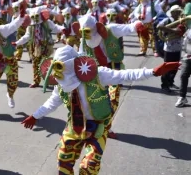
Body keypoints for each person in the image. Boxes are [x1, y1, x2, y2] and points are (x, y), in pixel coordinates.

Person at [22, 45, 180, 175]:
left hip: (98, 126)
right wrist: (35, 116)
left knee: (89, 167)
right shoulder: (61, 82)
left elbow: (124, 75)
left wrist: (152, 72)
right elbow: (52, 102)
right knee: (63, 163)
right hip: (74, 126)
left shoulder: (98, 75)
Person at [157, 5, 185, 93]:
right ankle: (164, 84)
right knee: (167, 67)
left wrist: (167, 29)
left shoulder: (181, 21)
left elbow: (180, 31)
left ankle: (170, 82)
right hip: (169, 48)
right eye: (176, 11)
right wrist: (165, 29)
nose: (178, 13)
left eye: (178, 11)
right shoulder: (167, 20)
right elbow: (159, 27)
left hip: (177, 47)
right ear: (172, 12)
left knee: (175, 67)